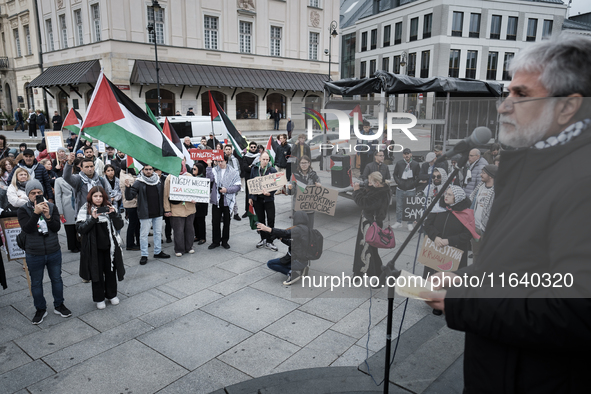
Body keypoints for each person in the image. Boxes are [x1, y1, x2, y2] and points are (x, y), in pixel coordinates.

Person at [422, 36, 591, 393]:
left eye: (522, 95)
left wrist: (464, 302)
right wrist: (470, 279)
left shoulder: (581, 179)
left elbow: (575, 310)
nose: (504, 106)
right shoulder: (534, 160)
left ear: (567, 107)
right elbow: (524, 263)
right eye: (507, 92)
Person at [17, 179, 71, 324]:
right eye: (33, 193)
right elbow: (26, 229)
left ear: (43, 193)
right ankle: (40, 308)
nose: (36, 195)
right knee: (36, 282)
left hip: (53, 250)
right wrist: (36, 213)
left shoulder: (52, 207)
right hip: (34, 252)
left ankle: (59, 305)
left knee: (57, 279)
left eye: (39, 192)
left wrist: (47, 216)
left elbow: (56, 228)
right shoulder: (23, 210)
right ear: (28, 195)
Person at [76, 186, 125, 309]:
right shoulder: (85, 208)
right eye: (95, 196)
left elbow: (120, 225)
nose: (98, 199)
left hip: (110, 247)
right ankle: (99, 298)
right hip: (93, 248)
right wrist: (93, 218)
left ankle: (112, 295)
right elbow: (80, 229)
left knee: (111, 271)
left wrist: (113, 214)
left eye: (100, 196)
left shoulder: (109, 207)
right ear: (90, 197)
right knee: (96, 273)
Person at [124, 165, 170, 264]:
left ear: (153, 170)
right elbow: (129, 197)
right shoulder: (139, 182)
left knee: (158, 233)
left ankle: (158, 251)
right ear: (143, 170)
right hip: (145, 212)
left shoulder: (158, 180)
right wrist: (128, 188)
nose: (148, 171)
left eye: (150, 169)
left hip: (157, 211)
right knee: (143, 235)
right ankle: (144, 255)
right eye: (146, 169)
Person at [352, 172, 391, 278]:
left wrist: (356, 192)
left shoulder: (378, 194)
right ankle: (369, 271)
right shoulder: (382, 190)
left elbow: (363, 203)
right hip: (373, 222)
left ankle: (375, 272)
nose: (368, 184)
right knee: (371, 248)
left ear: (377, 183)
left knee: (367, 248)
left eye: (370, 182)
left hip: (369, 223)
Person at [258, 211, 311, 285]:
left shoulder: (299, 229)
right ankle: (302, 267)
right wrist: (280, 238)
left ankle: (292, 274)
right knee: (280, 261)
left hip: (297, 260)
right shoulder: (306, 229)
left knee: (270, 263)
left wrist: (267, 229)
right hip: (303, 259)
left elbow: (285, 233)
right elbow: (293, 244)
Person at [206, 155, 241, 249]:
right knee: (215, 221)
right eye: (218, 161)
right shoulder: (214, 170)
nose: (220, 163)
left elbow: (238, 186)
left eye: (221, 161)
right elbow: (209, 179)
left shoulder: (233, 171)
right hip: (216, 200)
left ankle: (225, 241)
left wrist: (227, 190)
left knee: (226, 222)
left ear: (226, 161)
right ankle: (215, 241)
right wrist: (209, 166)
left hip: (227, 200)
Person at [163, 167, 196, 256]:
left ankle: (189, 247)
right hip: (176, 209)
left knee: (190, 230)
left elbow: (195, 190)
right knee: (178, 230)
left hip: (189, 208)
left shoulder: (189, 176)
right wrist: (167, 210)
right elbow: (166, 195)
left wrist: (196, 198)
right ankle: (179, 249)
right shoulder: (169, 177)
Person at [249, 151, 278, 251]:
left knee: (271, 219)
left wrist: (269, 193)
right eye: (263, 159)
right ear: (260, 159)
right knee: (260, 219)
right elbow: (251, 183)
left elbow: (276, 185)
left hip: (268, 199)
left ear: (269, 160)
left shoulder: (272, 170)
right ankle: (263, 238)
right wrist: (250, 197)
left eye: (267, 159)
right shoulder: (254, 169)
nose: (265, 161)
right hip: (257, 199)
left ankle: (270, 241)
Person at [469, 164, 496, 263]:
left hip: (488, 229)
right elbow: (473, 204)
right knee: (476, 254)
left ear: (491, 175)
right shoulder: (479, 187)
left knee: (488, 256)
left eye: (483, 173)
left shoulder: (497, 191)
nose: (481, 175)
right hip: (476, 228)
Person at [288, 155, 320, 228]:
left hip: (310, 209)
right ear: (299, 164)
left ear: (309, 163)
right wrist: (290, 188)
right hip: (298, 209)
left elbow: (318, 192)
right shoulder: (294, 176)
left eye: (305, 163)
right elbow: (291, 193)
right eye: (302, 163)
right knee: (297, 230)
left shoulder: (314, 175)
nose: (304, 165)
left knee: (309, 230)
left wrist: (319, 186)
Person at [392, 148, 419, 230]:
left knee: (410, 206)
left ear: (411, 154)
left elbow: (418, 176)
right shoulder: (399, 163)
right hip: (400, 188)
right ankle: (398, 222)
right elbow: (395, 174)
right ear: (403, 155)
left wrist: (413, 183)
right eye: (405, 154)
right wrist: (398, 182)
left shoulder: (415, 164)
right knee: (399, 206)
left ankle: (410, 223)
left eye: (408, 154)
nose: (406, 155)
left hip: (410, 188)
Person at [54, 171, 79, 253]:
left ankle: (80, 244)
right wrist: (60, 211)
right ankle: (72, 245)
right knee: (70, 227)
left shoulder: (77, 178)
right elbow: (57, 196)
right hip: (67, 205)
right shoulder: (58, 181)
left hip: (77, 203)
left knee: (79, 225)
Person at [119, 170, 140, 251]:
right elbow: (133, 185)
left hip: (132, 203)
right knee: (133, 224)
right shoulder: (126, 176)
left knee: (136, 223)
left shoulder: (125, 174)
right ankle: (130, 244)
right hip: (131, 204)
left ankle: (138, 241)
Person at [241, 141, 260, 218]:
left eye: (254, 147)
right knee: (248, 194)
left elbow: (259, 167)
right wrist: (253, 168)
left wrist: (250, 167)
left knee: (257, 194)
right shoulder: (246, 156)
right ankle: (247, 211)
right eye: (251, 147)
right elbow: (245, 168)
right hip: (248, 178)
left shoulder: (259, 156)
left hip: (257, 178)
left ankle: (256, 210)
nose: (253, 148)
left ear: (256, 147)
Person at [224, 144, 242, 221]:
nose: (228, 150)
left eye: (229, 149)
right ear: (224, 150)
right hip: (224, 182)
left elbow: (238, 170)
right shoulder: (222, 159)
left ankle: (235, 213)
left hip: (233, 182)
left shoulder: (235, 160)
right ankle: (225, 214)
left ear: (231, 150)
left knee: (233, 199)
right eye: (226, 149)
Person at [192, 163, 209, 245]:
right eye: (193, 169)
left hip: (201, 204)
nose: (193, 170)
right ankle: (197, 235)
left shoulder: (203, 179)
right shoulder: (192, 178)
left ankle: (202, 237)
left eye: (195, 169)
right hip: (194, 203)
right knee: (194, 220)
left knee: (200, 221)